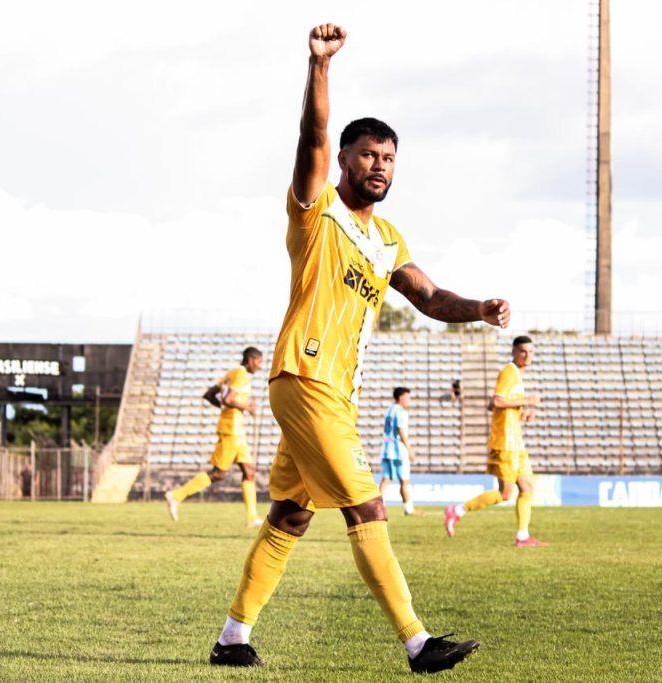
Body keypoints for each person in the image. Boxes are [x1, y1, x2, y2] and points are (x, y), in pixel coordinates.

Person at [209, 24, 509, 673]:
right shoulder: (316, 209)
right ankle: (418, 643)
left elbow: (429, 297)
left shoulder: (388, 239)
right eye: (369, 154)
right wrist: (319, 67)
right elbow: (313, 134)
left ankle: (232, 637)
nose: (380, 165)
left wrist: (478, 309)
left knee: (290, 515)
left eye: (389, 157)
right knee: (367, 505)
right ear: (345, 160)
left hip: (334, 394)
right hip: (305, 375)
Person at [444, 336, 543, 547]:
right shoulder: (509, 372)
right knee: (506, 493)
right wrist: (526, 401)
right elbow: (497, 401)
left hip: (516, 441)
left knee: (527, 487)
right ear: (514, 352)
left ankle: (523, 536)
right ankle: (457, 510)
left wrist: (523, 413)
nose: (527, 355)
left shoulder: (517, 376)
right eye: (523, 351)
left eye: (531, 351)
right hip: (505, 442)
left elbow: (496, 405)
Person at [166, 347, 264, 527]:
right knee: (219, 473)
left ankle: (251, 518)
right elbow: (229, 399)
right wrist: (247, 407)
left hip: (237, 430)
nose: (260, 366)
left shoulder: (230, 374)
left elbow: (209, 395)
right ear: (251, 360)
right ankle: (176, 495)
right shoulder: (241, 375)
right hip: (231, 430)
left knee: (249, 471)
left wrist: (225, 408)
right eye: (259, 362)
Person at [378, 387, 422, 516]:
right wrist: (409, 449)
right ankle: (409, 509)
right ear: (401, 397)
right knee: (404, 481)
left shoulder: (389, 410)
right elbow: (401, 430)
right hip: (398, 451)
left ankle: (378, 509)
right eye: (407, 397)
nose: (409, 400)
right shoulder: (401, 412)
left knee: (385, 480)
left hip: (386, 449)